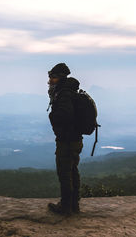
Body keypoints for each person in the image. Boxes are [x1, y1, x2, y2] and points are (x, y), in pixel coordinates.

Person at [47, 63, 83, 215]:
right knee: (73, 171)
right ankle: (74, 204)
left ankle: (66, 207)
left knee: (64, 173)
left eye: (53, 78)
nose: (50, 81)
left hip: (67, 141)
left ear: (59, 78)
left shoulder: (64, 94)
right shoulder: (69, 91)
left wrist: (52, 116)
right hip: (75, 139)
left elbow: (65, 115)